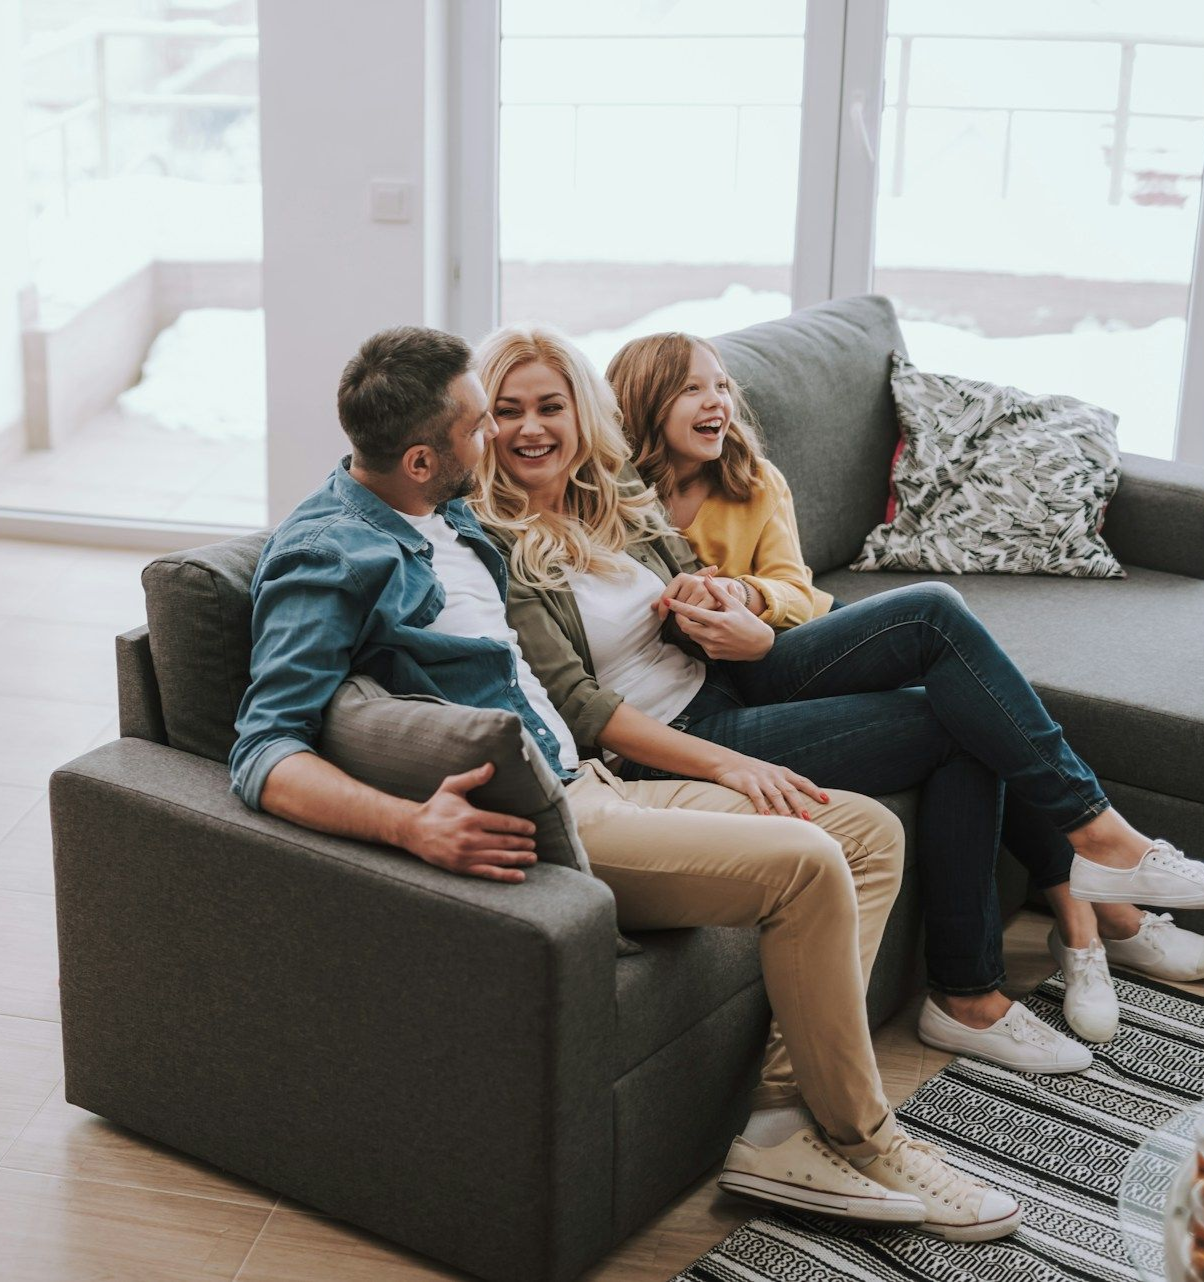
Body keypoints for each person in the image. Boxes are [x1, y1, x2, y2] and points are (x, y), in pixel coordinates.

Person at [227, 325, 1024, 1242]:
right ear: (420, 457)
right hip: (546, 816)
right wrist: (409, 827)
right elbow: (263, 751)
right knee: (807, 862)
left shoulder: (438, 512)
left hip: (596, 778)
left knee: (866, 834)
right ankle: (867, 1134)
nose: (498, 441)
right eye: (483, 424)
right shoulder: (327, 554)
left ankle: (777, 1127)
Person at [471, 322, 1204, 1086]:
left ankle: (1098, 845)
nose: (532, 428)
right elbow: (577, 706)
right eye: (509, 410)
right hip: (677, 732)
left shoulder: (610, 497)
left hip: (730, 671)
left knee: (933, 613)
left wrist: (720, 601)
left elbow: (696, 577)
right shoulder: (493, 542)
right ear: (483, 422)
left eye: (550, 406)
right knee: (956, 723)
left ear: (581, 413)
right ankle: (985, 978)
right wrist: (732, 763)